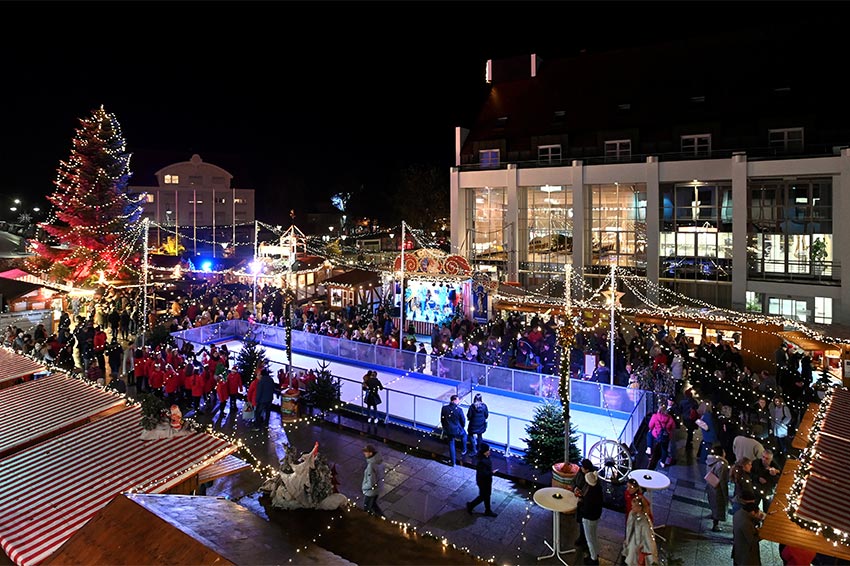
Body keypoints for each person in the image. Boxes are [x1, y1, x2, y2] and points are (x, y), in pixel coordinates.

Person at [621, 493, 658, 566]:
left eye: (634, 506)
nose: (632, 507)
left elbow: (648, 538)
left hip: (638, 546)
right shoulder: (632, 514)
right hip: (632, 542)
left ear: (640, 508)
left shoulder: (644, 522)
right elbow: (629, 527)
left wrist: (643, 549)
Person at [577, 470, 603, 566]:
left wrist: (580, 502)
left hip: (588, 518)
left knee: (590, 539)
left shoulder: (590, 495)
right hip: (595, 517)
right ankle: (595, 554)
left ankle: (593, 559)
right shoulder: (597, 488)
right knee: (594, 536)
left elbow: (586, 508)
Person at [466, 442, 497, 517]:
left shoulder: (484, 458)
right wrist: (491, 473)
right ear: (484, 452)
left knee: (486, 495)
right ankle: (471, 505)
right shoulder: (482, 462)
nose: (489, 452)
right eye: (488, 451)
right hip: (484, 482)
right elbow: (482, 473)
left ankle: (487, 510)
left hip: (486, 480)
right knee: (483, 496)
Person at [705, 444, 730, 532]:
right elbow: (723, 480)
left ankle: (713, 514)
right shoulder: (722, 464)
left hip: (710, 485)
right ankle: (715, 525)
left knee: (713, 502)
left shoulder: (710, 460)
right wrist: (725, 494)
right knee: (719, 506)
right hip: (718, 489)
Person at [732, 500, 764, 566]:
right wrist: (762, 535)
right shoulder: (746, 523)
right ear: (752, 512)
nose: (758, 514)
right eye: (757, 513)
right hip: (746, 553)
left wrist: (757, 519)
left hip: (738, 549)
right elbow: (752, 541)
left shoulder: (738, 513)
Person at [440, 394, 467, 466]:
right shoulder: (459, 410)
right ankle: (464, 449)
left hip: (448, 430)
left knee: (451, 444)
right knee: (464, 435)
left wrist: (445, 427)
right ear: (454, 400)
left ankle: (453, 462)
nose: (458, 401)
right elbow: (463, 420)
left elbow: (442, 419)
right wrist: (462, 427)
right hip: (457, 430)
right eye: (458, 400)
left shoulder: (444, 408)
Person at [646, 404, 675, 468]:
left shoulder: (655, 416)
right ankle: (663, 462)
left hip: (656, 435)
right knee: (664, 448)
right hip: (666, 436)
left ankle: (649, 447)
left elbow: (650, 425)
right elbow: (673, 427)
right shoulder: (670, 418)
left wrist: (652, 429)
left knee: (649, 434)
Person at [361, 444, 385, 517]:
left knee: (366, 508)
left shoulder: (371, 466)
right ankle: (383, 518)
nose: (364, 453)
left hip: (370, 491)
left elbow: (371, 482)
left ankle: (369, 523)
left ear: (370, 453)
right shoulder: (379, 462)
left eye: (366, 452)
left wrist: (364, 487)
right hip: (377, 489)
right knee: (374, 505)